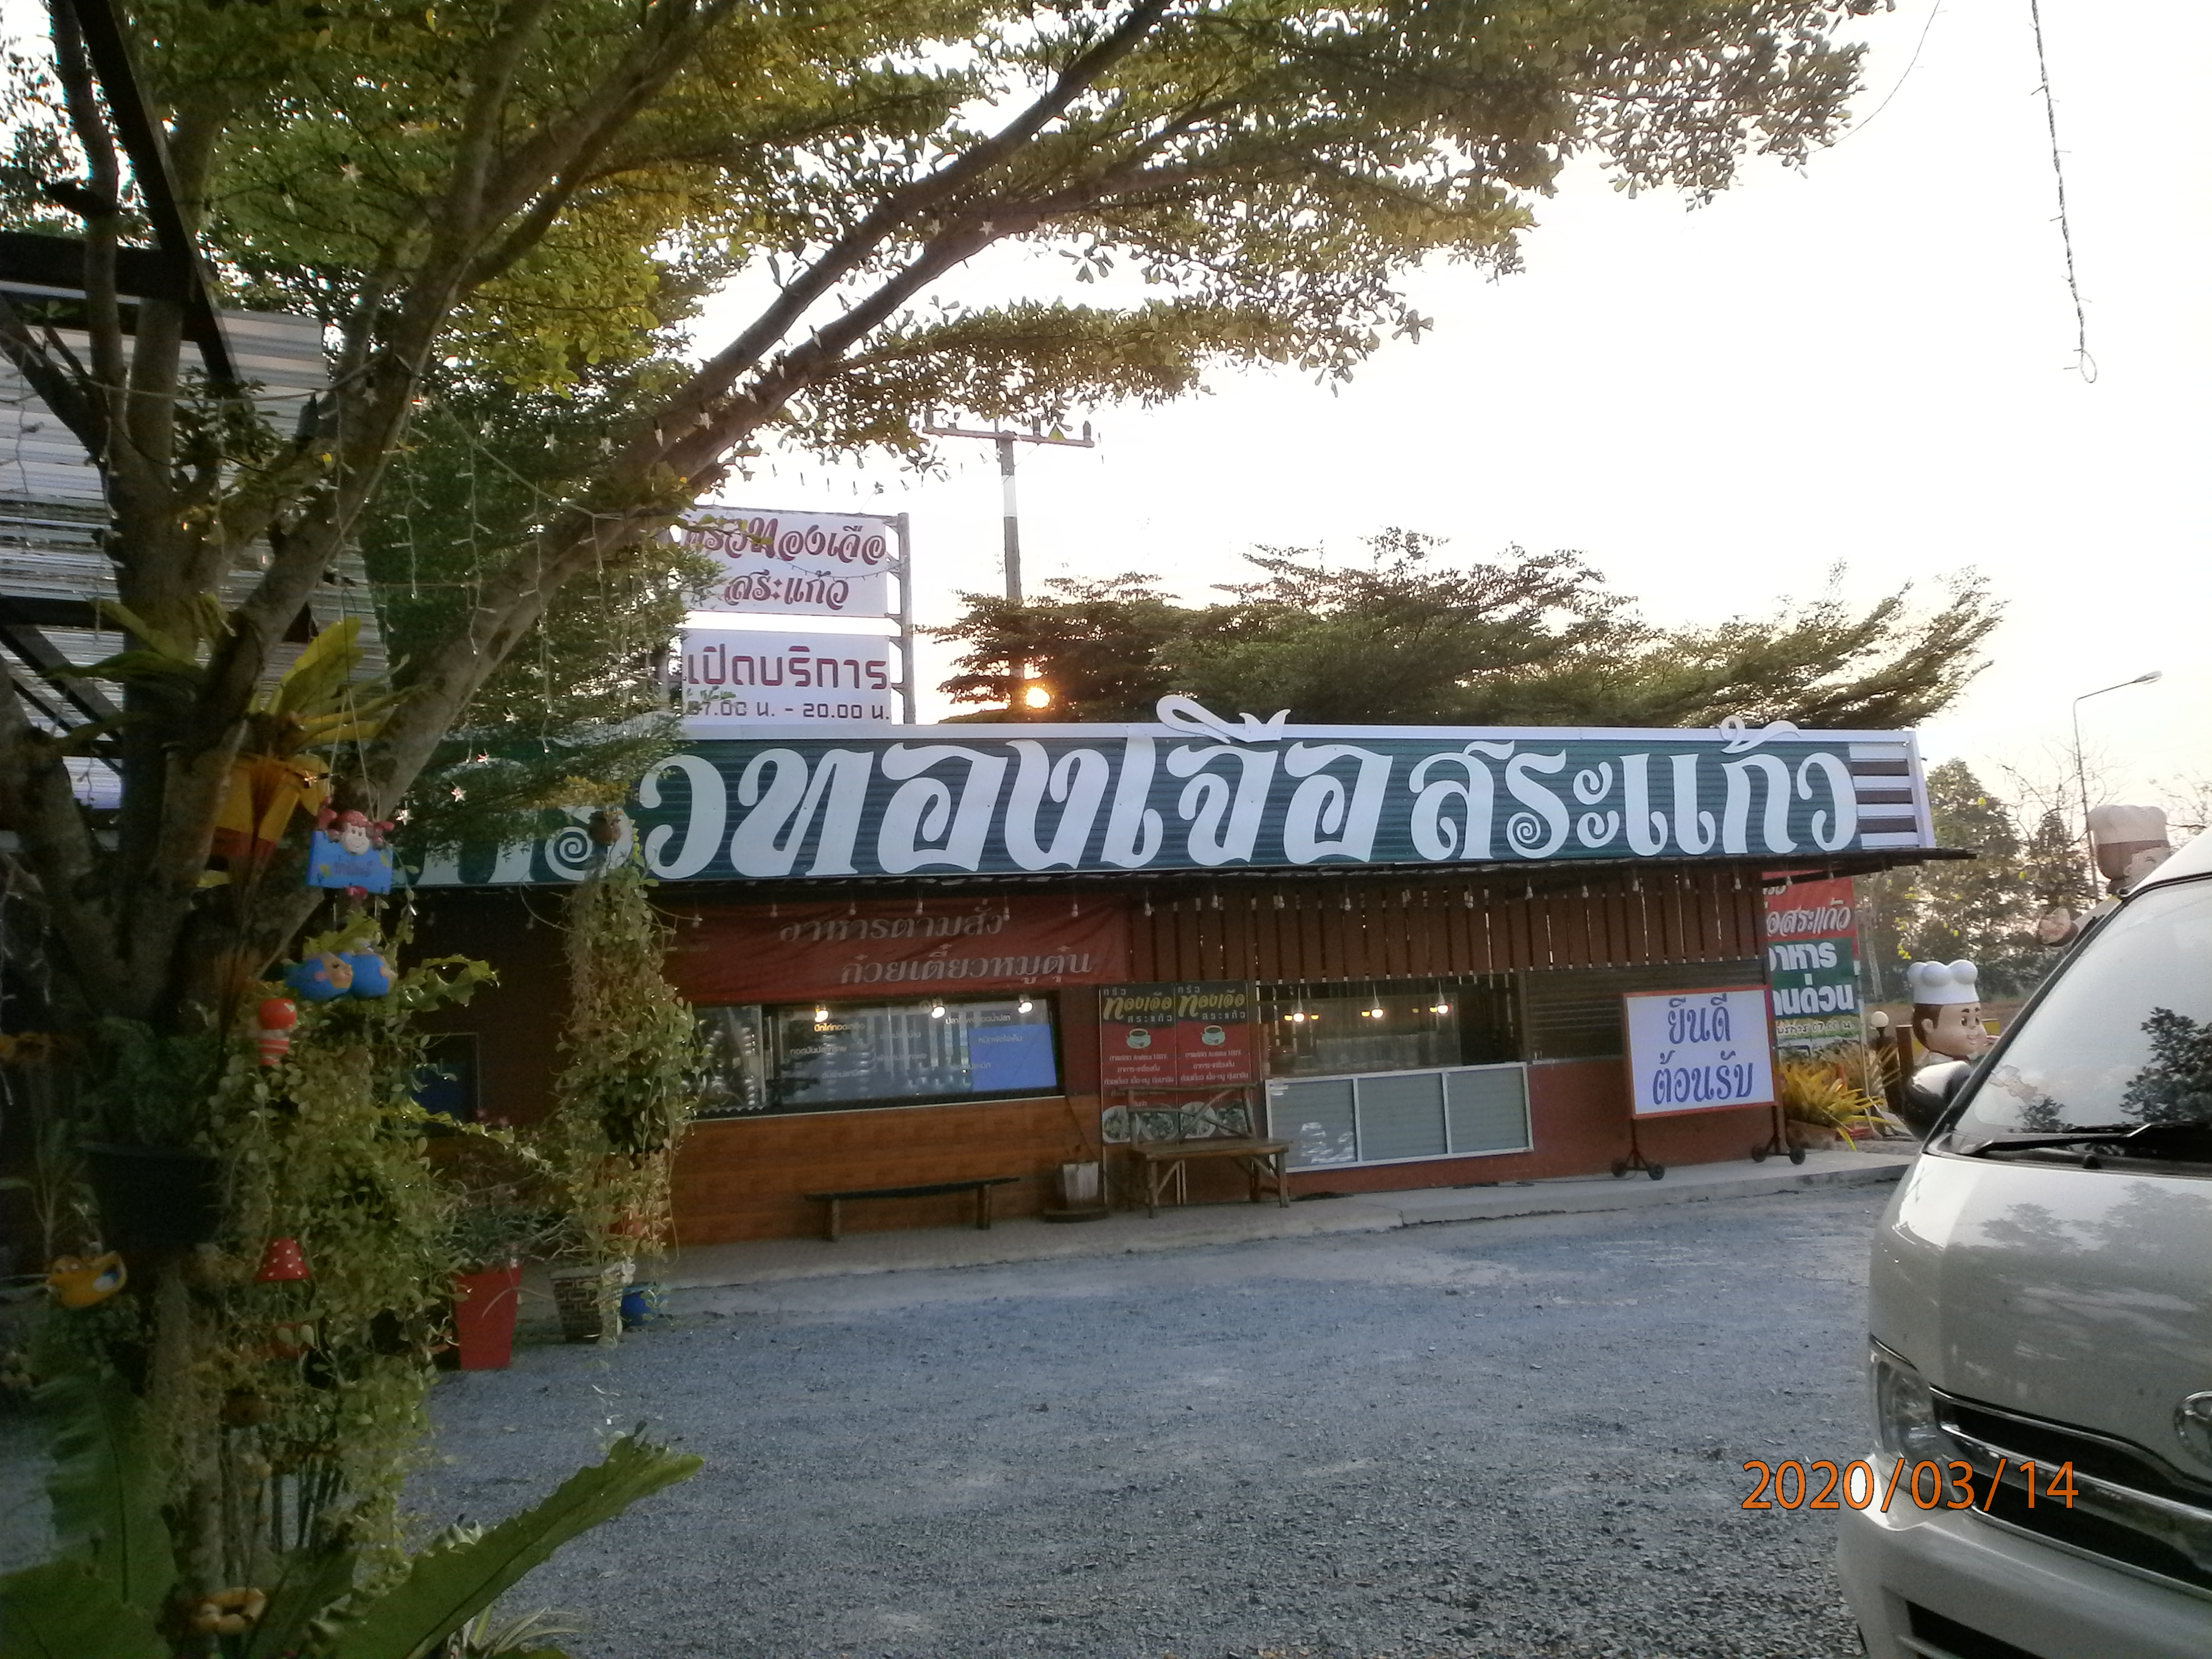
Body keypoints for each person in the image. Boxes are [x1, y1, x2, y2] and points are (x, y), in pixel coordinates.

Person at [1896, 959, 1991, 1132]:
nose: (1974, 1027)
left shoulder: (1981, 1060)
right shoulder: (1933, 1074)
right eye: (1964, 1021)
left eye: (1977, 1020)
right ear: (1929, 1026)